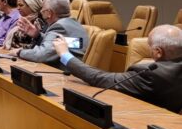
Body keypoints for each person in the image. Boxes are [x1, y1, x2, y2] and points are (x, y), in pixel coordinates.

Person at [54, 25, 182, 113]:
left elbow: (99, 78)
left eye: (149, 46)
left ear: (158, 52)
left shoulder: (150, 74)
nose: (148, 50)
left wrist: (65, 55)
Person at [8, 0, 90, 64]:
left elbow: (42, 55)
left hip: (63, 72)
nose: (41, 11)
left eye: (43, 9)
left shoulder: (59, 27)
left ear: (49, 13)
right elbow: (57, 45)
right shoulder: (72, 24)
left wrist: (19, 52)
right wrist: (38, 36)